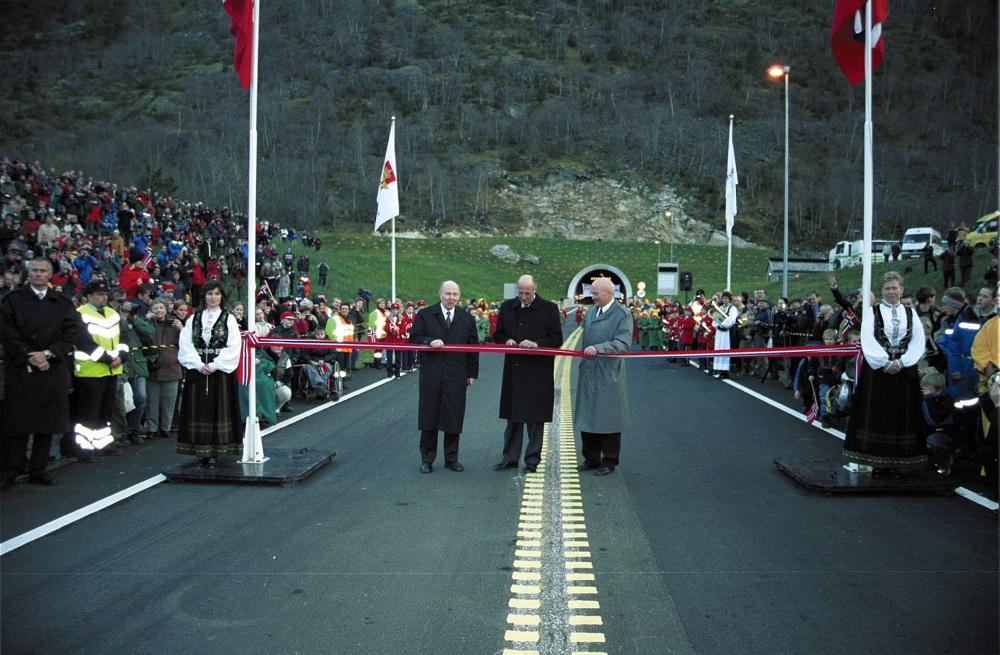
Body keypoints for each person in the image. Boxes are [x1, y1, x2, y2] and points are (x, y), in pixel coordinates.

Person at [0, 258, 79, 487]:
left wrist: (48, 354)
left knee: (47, 423)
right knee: (18, 424)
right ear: (28, 273)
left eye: (43, 271)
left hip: (50, 368)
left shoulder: (62, 302)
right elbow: (6, 331)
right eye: (34, 270)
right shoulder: (12, 300)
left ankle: (38, 469)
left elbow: (71, 332)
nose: (38, 274)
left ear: (50, 274)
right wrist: (29, 355)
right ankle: (11, 470)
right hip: (21, 368)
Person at [842, 272, 927, 474]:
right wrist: (884, 362)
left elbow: (918, 340)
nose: (891, 292)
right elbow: (868, 339)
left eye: (894, 288)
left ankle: (900, 461)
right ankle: (876, 461)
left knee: (901, 415)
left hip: (904, 371)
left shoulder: (910, 313)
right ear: (882, 291)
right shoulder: (872, 312)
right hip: (879, 371)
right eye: (887, 288)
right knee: (878, 413)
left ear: (901, 290)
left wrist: (902, 361)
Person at [492, 275, 563, 473]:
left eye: (528, 293)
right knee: (513, 418)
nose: (524, 296)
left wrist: (536, 344)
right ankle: (510, 457)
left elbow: (557, 339)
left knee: (535, 418)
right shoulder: (507, 307)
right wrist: (506, 341)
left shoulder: (549, 309)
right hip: (514, 370)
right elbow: (498, 334)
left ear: (535, 289)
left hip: (538, 371)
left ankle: (532, 460)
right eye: (521, 292)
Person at [409, 280, 479, 473]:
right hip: (431, 374)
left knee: (454, 417)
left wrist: (472, 374)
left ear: (459, 296)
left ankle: (451, 459)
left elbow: (473, 348)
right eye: (448, 294)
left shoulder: (467, 319)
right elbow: (413, 338)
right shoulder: (425, 315)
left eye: (455, 295)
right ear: (440, 294)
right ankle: (427, 459)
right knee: (429, 417)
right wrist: (430, 341)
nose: (451, 298)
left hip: (457, 375)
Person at [176, 280, 242, 468]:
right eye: (210, 294)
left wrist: (214, 365)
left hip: (219, 371)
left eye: (217, 294)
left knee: (218, 409)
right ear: (204, 296)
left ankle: (215, 452)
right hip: (198, 371)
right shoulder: (194, 318)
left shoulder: (228, 318)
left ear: (222, 296)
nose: (213, 297)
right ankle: (200, 450)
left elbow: (234, 345)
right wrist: (197, 364)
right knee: (198, 410)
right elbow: (186, 343)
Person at [575, 277, 631, 476]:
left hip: (608, 373)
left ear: (608, 293)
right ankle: (591, 458)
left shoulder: (622, 314)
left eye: (596, 293)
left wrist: (599, 349)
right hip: (589, 370)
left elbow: (623, 343)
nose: (593, 296)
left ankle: (609, 461)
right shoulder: (591, 312)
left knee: (608, 417)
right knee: (588, 416)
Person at [72, 280, 128, 458]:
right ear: (88, 297)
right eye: (99, 294)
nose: (103, 297)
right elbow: (83, 342)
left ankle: (102, 444)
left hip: (112, 370)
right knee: (88, 413)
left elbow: (123, 340)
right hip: (91, 370)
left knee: (105, 411)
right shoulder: (80, 313)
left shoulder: (113, 314)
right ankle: (84, 449)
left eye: (105, 295)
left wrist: (121, 357)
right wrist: (107, 359)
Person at [145, 300, 182, 440]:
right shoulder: (147, 324)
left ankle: (165, 427)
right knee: (152, 402)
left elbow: (186, 342)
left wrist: (182, 328)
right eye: (156, 308)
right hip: (153, 369)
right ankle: (152, 428)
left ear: (166, 310)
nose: (159, 310)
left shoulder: (174, 324)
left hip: (172, 368)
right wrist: (147, 322)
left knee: (169, 402)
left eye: (161, 308)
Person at [711, 291, 740, 379]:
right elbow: (714, 318)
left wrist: (722, 323)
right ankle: (718, 369)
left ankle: (725, 370)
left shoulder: (732, 308)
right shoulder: (720, 307)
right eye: (723, 298)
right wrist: (717, 324)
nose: (725, 300)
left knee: (725, 349)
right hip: (719, 332)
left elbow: (732, 320)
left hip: (727, 332)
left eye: (726, 298)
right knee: (719, 348)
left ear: (730, 300)